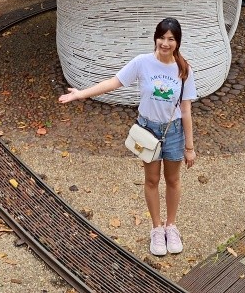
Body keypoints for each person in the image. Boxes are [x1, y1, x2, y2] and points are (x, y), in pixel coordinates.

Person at [58, 17, 197, 257]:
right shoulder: (142, 63)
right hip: (147, 130)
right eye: (162, 37)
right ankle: (156, 229)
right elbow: (114, 82)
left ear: (177, 42)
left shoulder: (183, 69)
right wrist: (81, 94)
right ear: (155, 37)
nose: (165, 43)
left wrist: (190, 146)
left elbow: (186, 109)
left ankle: (170, 226)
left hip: (173, 132)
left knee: (173, 180)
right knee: (152, 180)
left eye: (171, 39)